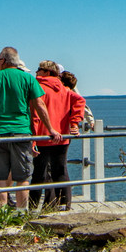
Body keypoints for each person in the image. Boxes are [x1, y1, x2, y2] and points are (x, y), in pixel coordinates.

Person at [0, 46, 59, 207]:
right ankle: (22, 214)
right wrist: (50, 129)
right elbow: (40, 104)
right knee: (22, 178)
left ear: (4, 61)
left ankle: (1, 215)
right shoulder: (28, 79)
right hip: (21, 132)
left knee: (0, 178)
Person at [29, 61, 86, 210]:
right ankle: (64, 205)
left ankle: (32, 207)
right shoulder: (64, 89)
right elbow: (80, 101)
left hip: (43, 137)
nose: (36, 72)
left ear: (47, 72)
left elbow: (35, 116)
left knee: (38, 174)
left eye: (39, 70)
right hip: (62, 136)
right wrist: (74, 123)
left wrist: (33, 140)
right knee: (60, 170)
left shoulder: (38, 88)